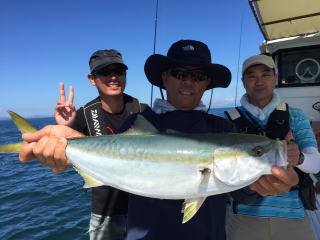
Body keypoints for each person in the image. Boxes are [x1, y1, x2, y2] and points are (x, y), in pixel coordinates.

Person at [18, 40, 299, 240]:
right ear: (164, 78)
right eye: (179, 73)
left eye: (198, 75)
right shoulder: (141, 122)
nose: (188, 81)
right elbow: (110, 156)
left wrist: (265, 186)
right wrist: (68, 144)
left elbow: (239, 189)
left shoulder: (222, 126)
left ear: (207, 83)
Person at [54, 49, 149, 240]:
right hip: (105, 212)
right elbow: (60, 164)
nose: (113, 77)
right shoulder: (82, 116)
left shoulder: (144, 112)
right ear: (91, 79)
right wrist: (66, 127)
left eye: (119, 71)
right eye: (105, 72)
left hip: (143, 208)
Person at [225, 54, 320, 240]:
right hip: (243, 218)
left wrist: (298, 157)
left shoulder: (297, 116)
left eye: (265, 74)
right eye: (251, 76)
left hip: (293, 217)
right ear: (243, 82)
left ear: (275, 78)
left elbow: (316, 164)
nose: (258, 81)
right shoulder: (227, 120)